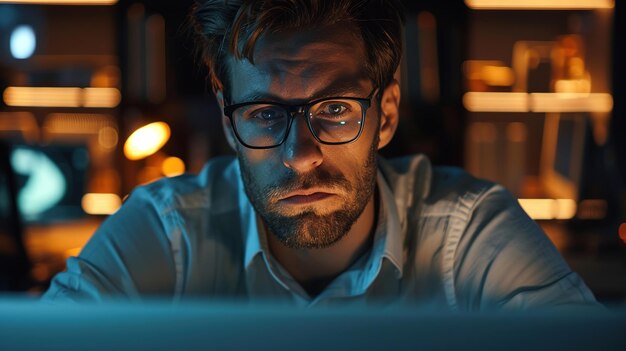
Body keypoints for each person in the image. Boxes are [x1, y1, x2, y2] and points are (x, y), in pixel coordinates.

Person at [43, 0, 598, 310]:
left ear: (385, 114)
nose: (300, 156)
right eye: (264, 113)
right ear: (226, 117)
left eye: (334, 109)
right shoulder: (168, 231)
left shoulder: (469, 231)